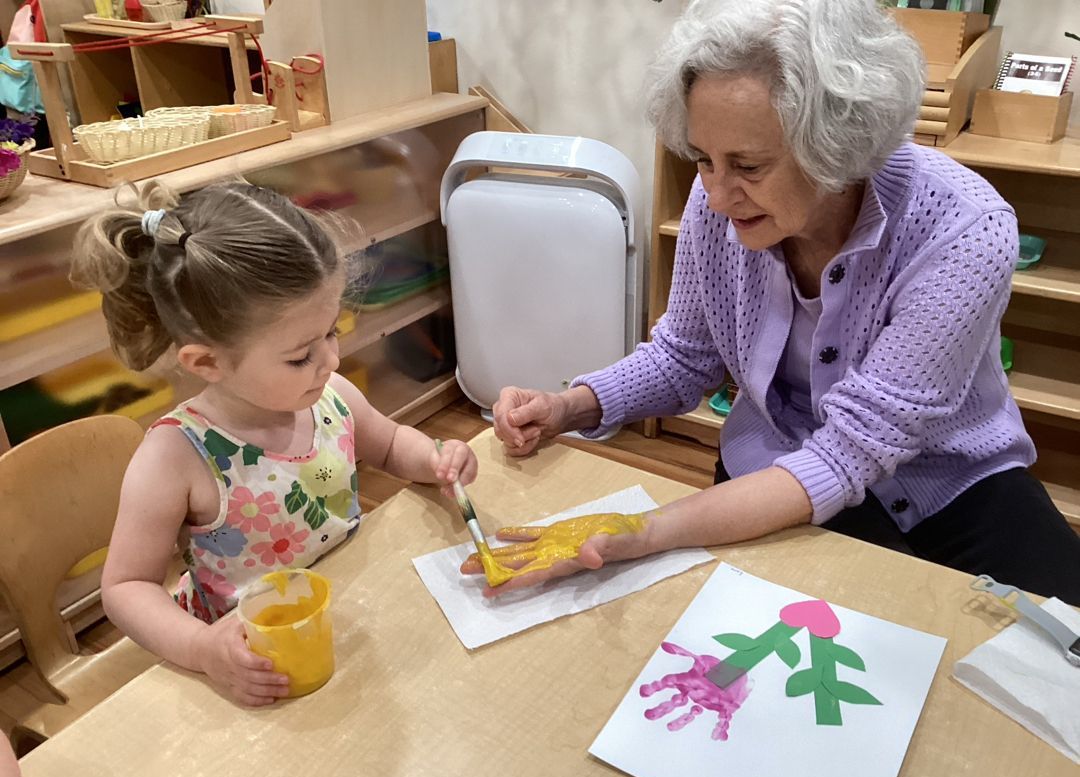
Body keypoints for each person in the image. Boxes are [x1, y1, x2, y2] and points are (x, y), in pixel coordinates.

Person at [468, 0, 1080, 604]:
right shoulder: (720, 211)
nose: (716, 193)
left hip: (956, 476)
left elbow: (853, 450)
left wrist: (647, 530)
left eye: (749, 166)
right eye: (703, 160)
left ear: (836, 142)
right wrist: (569, 406)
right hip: (772, 468)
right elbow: (685, 358)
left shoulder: (962, 231)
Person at [74, 180, 477, 706]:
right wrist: (201, 648)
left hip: (347, 615)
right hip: (252, 663)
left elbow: (390, 444)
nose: (330, 360)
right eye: (300, 355)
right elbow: (126, 588)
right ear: (207, 362)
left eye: (331, 332)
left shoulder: (329, 395)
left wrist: (434, 458)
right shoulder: (175, 457)